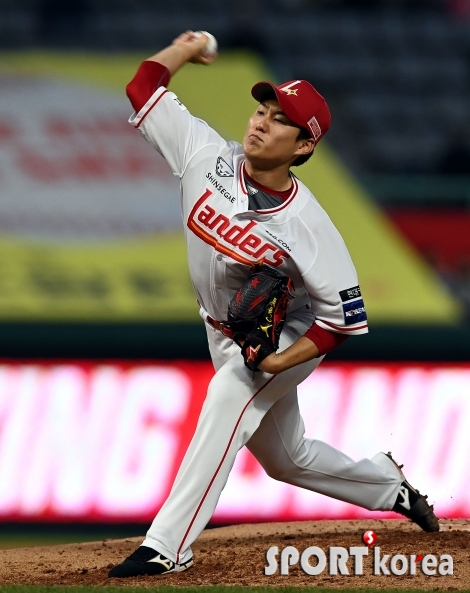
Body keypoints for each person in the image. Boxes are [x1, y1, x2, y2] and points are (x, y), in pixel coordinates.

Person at [109, 31, 439, 579]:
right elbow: (143, 86)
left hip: (288, 336)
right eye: (261, 109)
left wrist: (278, 360)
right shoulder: (203, 155)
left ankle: (167, 545)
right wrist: (187, 49)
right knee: (287, 458)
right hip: (224, 331)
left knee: (229, 393)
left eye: (279, 119)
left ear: (304, 146)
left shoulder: (308, 225)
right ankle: (387, 484)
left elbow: (343, 321)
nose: (260, 121)